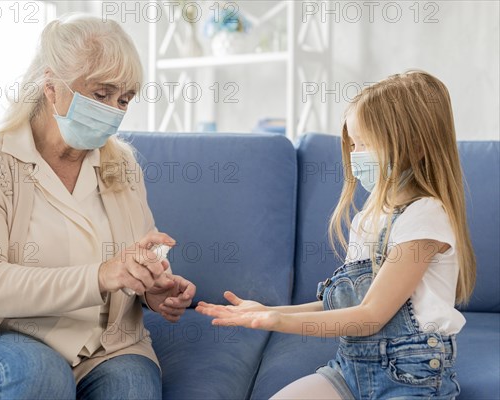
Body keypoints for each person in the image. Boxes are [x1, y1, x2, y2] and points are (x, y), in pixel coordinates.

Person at [0, 14, 196, 400]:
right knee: (38, 375)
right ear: (51, 86)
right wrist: (101, 275)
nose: (114, 110)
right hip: (14, 335)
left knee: (132, 390)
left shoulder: (122, 165)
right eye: (101, 94)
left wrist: (153, 290)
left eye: (123, 99)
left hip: (108, 346)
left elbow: (142, 254)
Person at [196, 70, 475, 399]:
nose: (356, 155)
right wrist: (266, 312)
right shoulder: (369, 218)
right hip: (350, 370)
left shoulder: (424, 216)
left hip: (409, 378)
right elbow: (340, 305)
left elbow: (371, 315)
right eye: (354, 144)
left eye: (367, 144)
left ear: (414, 148)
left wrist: (277, 322)